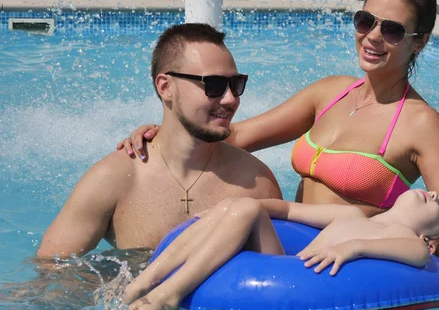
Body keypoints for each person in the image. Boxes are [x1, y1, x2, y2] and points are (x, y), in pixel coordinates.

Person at [117, 0, 439, 291]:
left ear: (418, 42)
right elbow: (235, 136)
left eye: (392, 30)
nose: (372, 37)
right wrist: (164, 129)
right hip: (289, 248)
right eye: (365, 20)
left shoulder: (420, 123)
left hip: (342, 270)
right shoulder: (328, 93)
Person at [37, 23, 282, 259]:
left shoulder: (256, 183)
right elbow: (51, 274)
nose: (230, 99)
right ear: (166, 87)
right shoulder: (115, 177)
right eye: (214, 85)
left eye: (235, 84)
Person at [124, 189, 439, 310]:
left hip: (287, 284)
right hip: (281, 266)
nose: (432, 195)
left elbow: (418, 258)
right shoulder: (351, 214)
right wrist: (220, 210)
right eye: (435, 193)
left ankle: (168, 294)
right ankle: (148, 281)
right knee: (241, 206)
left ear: (430, 240)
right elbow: (286, 212)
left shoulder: (408, 240)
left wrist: (355, 247)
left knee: (246, 209)